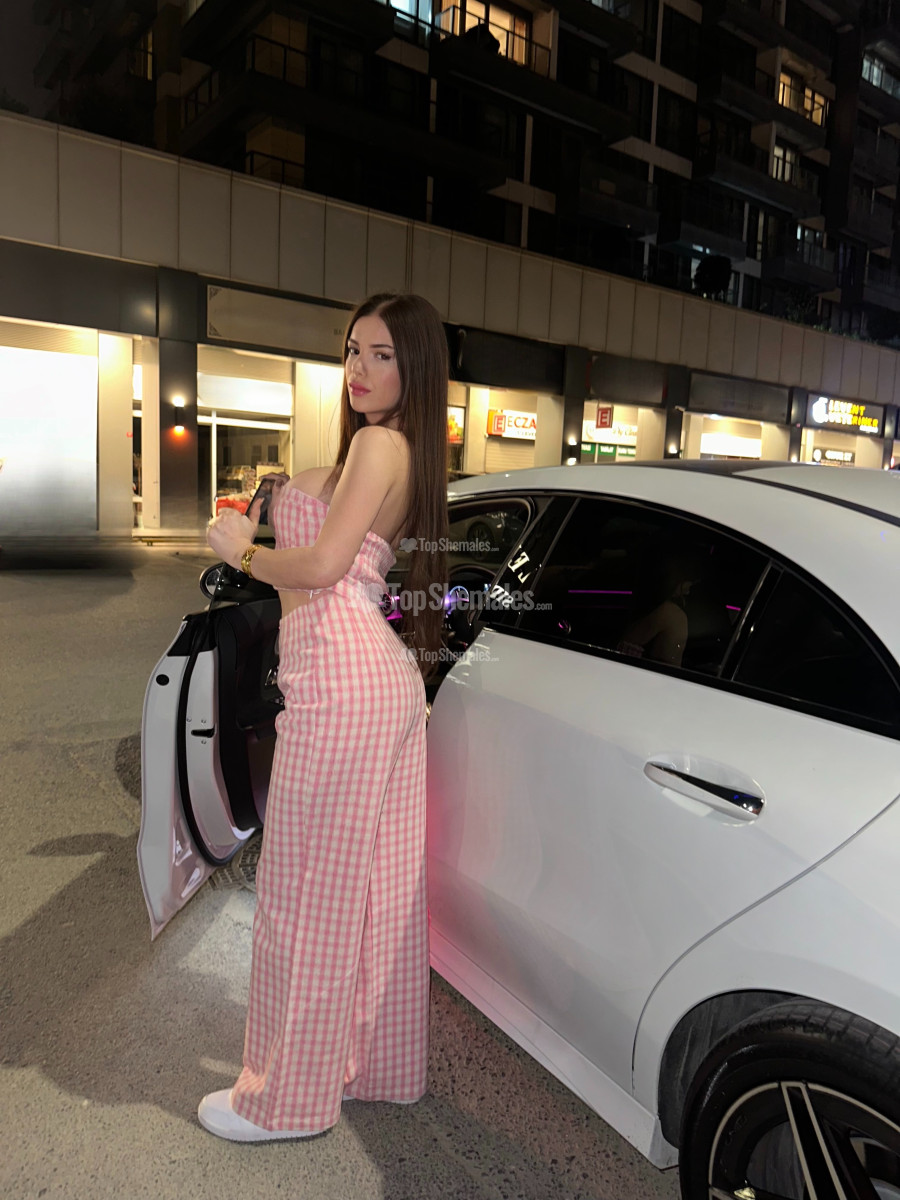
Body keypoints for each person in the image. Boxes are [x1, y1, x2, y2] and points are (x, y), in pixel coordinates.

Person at [201, 292, 449, 1142]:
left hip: (342, 682)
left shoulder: (380, 445)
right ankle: (368, 1068)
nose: (359, 369)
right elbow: (328, 538)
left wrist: (243, 551)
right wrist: (277, 499)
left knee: (304, 895)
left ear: (415, 366)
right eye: (351, 351)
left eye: (382, 355)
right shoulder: (388, 451)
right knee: (370, 891)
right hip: (369, 680)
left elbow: (323, 566)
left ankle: (286, 1102)